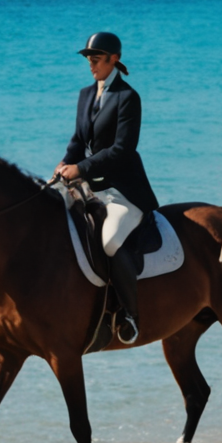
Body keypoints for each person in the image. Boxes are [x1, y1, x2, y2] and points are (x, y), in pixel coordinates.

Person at [55, 32, 160, 344]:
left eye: (97, 59)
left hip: (123, 191)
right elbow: (78, 141)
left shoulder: (128, 98)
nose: (91, 65)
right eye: (88, 60)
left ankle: (130, 315)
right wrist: (64, 164)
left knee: (111, 241)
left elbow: (122, 150)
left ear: (114, 59)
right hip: (90, 188)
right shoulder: (86, 94)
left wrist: (81, 168)